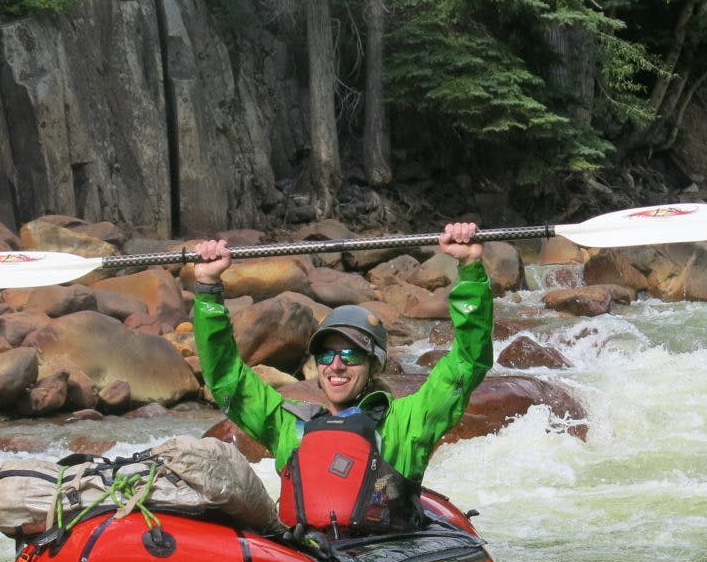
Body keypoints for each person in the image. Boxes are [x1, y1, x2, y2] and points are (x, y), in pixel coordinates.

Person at [190, 223, 493, 538]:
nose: (336, 365)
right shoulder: (290, 425)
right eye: (325, 356)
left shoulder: (408, 422)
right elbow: (227, 379)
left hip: (381, 560)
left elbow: (468, 362)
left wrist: (470, 268)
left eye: (350, 355)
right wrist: (208, 288)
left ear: (374, 365)